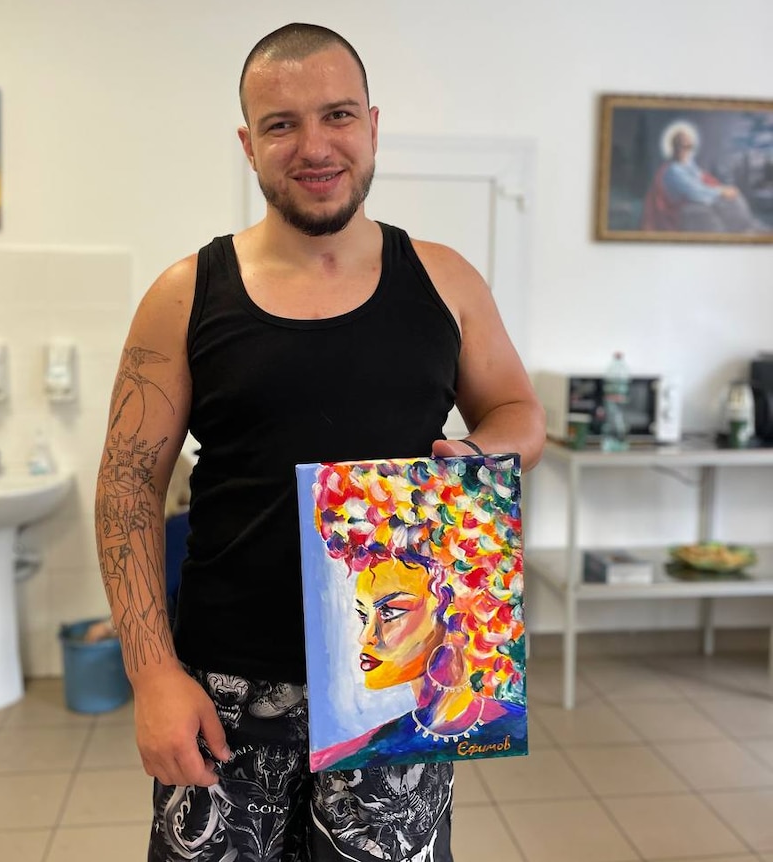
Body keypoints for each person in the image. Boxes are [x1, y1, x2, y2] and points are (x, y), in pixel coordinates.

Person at [95, 21, 545, 862]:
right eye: (281, 124)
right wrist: (153, 673)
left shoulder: (445, 280)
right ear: (248, 143)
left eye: (337, 115)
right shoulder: (185, 294)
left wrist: (485, 457)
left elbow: (519, 408)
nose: (314, 145)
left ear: (373, 124)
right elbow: (126, 489)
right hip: (223, 692)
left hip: (400, 679)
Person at [306, 457, 527, 773]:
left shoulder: (512, 726)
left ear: (455, 613)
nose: (366, 636)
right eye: (363, 615)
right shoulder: (350, 754)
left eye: (390, 611)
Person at [641, 122, 765, 234]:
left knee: (734, 199)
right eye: (682, 146)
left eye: (689, 147)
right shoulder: (673, 171)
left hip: (697, 199)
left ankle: (746, 227)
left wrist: (723, 188)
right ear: (674, 147)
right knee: (711, 214)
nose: (685, 151)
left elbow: (702, 179)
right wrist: (722, 192)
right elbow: (694, 191)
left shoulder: (688, 164)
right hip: (682, 209)